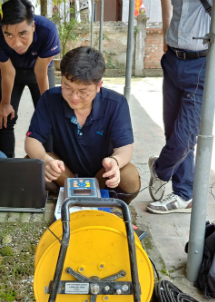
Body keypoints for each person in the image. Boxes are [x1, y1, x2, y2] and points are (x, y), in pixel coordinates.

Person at [146, 0, 215, 214]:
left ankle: (160, 169)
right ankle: (184, 194)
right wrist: (167, 30)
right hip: (173, 60)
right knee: (172, 132)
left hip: (205, 62)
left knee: (184, 137)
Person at [24, 46, 141, 205]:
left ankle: (113, 206)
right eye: (67, 87)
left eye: (83, 91)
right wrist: (45, 159)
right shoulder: (49, 99)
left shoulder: (116, 104)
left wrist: (115, 161)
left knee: (129, 174)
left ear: (99, 86)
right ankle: (61, 199)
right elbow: (32, 140)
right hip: (64, 175)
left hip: (100, 177)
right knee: (32, 163)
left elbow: (125, 147)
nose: (74, 97)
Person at [0, 0, 61, 158]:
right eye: (9, 35)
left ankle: (49, 165)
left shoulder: (48, 30)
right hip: (10, 69)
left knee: (48, 118)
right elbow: (7, 71)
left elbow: (40, 71)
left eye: (23, 33)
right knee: (4, 118)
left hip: (40, 69)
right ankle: (7, 165)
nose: (17, 43)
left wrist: (46, 105)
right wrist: (5, 103)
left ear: (33, 26)